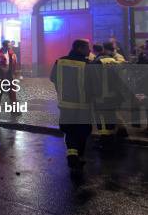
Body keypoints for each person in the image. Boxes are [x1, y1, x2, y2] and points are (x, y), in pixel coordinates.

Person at [50, 39, 92, 176]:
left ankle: (72, 155)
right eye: (87, 48)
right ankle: (78, 156)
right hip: (82, 105)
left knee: (69, 130)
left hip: (65, 104)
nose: (89, 51)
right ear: (79, 48)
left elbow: (52, 78)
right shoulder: (87, 64)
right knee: (83, 131)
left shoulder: (60, 61)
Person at [89, 41, 131, 149]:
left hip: (103, 95)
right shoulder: (113, 60)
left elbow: (93, 80)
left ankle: (107, 140)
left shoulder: (98, 61)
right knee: (113, 114)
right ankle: (121, 132)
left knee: (104, 119)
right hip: (115, 94)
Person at [0, 40, 19, 106]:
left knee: (12, 95)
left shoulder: (12, 53)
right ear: (4, 46)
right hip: (0, 77)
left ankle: (14, 111)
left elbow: (14, 65)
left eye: (10, 45)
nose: (10, 47)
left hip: (10, 77)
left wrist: (14, 74)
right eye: (8, 45)